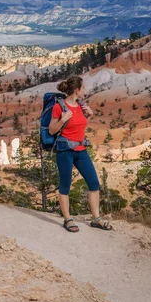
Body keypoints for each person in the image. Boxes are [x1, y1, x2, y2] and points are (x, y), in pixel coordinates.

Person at [49, 76, 112, 232]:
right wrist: (63, 119)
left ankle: (96, 218)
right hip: (65, 151)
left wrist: (89, 116)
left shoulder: (80, 106)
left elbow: (79, 127)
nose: (85, 91)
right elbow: (52, 130)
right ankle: (68, 219)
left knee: (94, 183)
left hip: (81, 150)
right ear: (76, 90)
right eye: (83, 88)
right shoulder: (59, 107)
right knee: (65, 185)